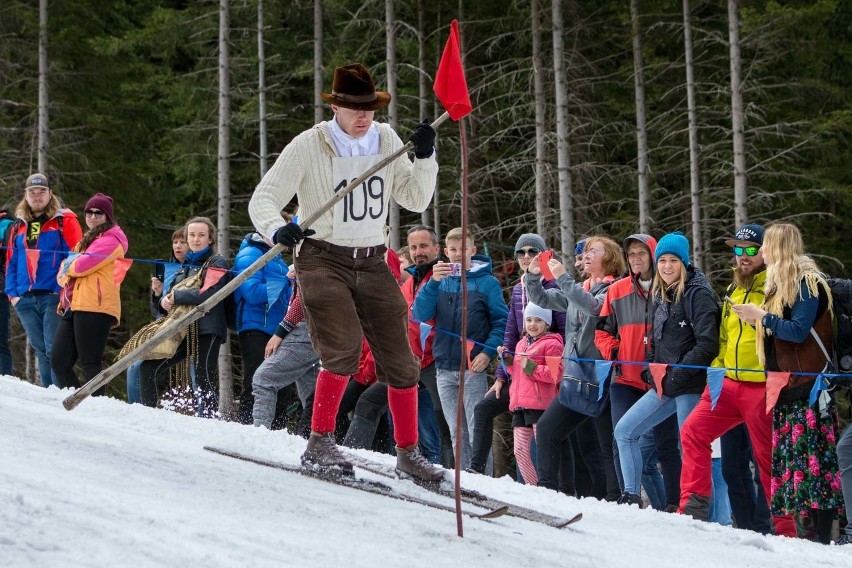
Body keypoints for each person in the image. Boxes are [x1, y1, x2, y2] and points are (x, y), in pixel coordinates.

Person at [248, 62, 443, 481]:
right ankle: (320, 441)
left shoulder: (386, 138)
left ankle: (408, 453)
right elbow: (263, 199)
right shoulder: (309, 145)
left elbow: (413, 198)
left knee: (400, 355)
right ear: (335, 106)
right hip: (321, 257)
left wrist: (425, 156)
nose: (363, 116)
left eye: (369, 108)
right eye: (354, 108)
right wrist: (276, 228)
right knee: (343, 347)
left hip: (373, 259)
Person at [729, 223, 843, 544]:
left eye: (766, 246)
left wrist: (761, 316)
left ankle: (822, 538)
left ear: (779, 247)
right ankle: (806, 536)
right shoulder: (780, 286)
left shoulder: (807, 283)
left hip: (811, 389)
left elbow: (797, 330)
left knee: (817, 466)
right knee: (797, 467)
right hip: (787, 386)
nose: (761, 252)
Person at [678, 224, 781, 533]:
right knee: (693, 432)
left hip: (760, 386)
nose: (743, 256)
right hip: (728, 383)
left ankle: (783, 526)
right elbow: (723, 339)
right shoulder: (733, 290)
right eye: (738, 249)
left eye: (750, 250)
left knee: (767, 459)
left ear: (765, 252)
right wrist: (720, 367)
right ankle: (694, 506)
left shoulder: (774, 289)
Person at [612, 232, 719, 506]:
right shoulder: (661, 294)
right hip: (666, 384)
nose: (667, 266)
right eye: (662, 260)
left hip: (692, 385)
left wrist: (678, 372)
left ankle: (696, 507)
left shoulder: (699, 294)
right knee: (625, 431)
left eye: (673, 260)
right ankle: (631, 496)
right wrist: (651, 367)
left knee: (690, 447)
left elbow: (708, 345)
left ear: (684, 263)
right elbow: (655, 338)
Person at [527, 236, 625, 498]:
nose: (587, 255)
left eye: (595, 251)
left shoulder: (614, 288)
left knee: (606, 444)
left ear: (610, 258)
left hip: (603, 377)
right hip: (575, 377)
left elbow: (593, 308)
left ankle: (617, 500)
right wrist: (533, 275)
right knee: (547, 429)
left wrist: (563, 277)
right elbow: (542, 299)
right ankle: (547, 490)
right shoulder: (580, 287)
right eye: (586, 251)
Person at [343, 225, 449, 465]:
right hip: (407, 360)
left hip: (435, 360)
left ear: (436, 248)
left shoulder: (444, 277)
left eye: (423, 246)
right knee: (368, 402)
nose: (418, 251)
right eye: (413, 247)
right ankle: (353, 457)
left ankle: (455, 475)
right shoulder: (409, 281)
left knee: (445, 422)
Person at [468, 233, 566, 477]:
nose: (525, 257)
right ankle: (477, 471)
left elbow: (564, 333)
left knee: (547, 437)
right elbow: (511, 331)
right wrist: (502, 375)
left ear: (543, 256)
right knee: (484, 409)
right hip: (520, 376)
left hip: (547, 378)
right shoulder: (519, 288)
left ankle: (557, 489)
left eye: (532, 252)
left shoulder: (554, 286)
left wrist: (552, 373)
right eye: (520, 253)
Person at [595, 234, 681, 511]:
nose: (636, 259)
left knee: (666, 445)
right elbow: (601, 330)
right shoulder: (617, 290)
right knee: (621, 436)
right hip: (625, 380)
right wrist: (615, 352)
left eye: (641, 253)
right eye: (631, 254)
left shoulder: (668, 289)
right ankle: (627, 498)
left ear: (653, 256)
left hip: (660, 381)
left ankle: (673, 503)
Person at [413, 227, 509, 470]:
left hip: (473, 367)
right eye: (453, 249)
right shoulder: (439, 280)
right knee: (457, 432)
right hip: (443, 367)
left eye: (463, 249)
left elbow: (502, 323)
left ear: (473, 251)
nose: (458, 254)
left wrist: (487, 353)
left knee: (477, 430)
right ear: (445, 252)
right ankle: (462, 482)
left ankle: (485, 484)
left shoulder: (488, 283)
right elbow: (419, 313)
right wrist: (432, 283)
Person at [139, 216, 230, 418]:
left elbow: (211, 293)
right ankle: (146, 416)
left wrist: (177, 296)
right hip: (181, 328)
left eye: (201, 235)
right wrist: (161, 301)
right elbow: (167, 301)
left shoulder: (217, 261)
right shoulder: (184, 265)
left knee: (204, 377)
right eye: (192, 235)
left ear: (210, 239)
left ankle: (209, 421)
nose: (196, 239)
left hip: (207, 328)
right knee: (148, 367)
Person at [5, 173, 82, 387]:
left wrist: (63, 288)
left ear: (50, 194)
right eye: (32, 192)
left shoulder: (64, 220)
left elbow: (77, 255)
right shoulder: (17, 226)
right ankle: (49, 396)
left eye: (41, 192)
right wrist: (13, 295)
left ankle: (60, 394)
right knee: (40, 350)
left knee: (53, 349)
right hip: (24, 298)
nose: (37, 196)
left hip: (53, 295)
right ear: (26, 196)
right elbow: (11, 261)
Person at [51, 193, 128, 393]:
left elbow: (81, 266)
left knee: (90, 362)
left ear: (107, 217)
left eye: (98, 213)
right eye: (89, 212)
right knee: (59, 361)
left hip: (96, 305)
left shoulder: (112, 239)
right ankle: (80, 404)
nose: (93, 216)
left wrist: (70, 265)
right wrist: (69, 266)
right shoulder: (87, 240)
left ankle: (96, 408)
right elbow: (62, 273)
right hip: (73, 304)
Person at [498, 303, 564, 486]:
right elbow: (516, 372)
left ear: (547, 324)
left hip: (540, 405)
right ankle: (533, 488)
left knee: (542, 449)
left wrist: (531, 367)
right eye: (529, 320)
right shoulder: (520, 343)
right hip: (520, 404)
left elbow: (555, 374)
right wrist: (508, 361)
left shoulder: (552, 344)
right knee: (519, 450)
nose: (532, 324)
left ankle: (549, 487)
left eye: (538, 320)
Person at [233, 232, 291, 424]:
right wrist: (285, 281)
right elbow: (252, 293)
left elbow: (285, 298)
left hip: (277, 330)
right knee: (255, 381)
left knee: (280, 384)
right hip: (255, 327)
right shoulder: (250, 253)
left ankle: (277, 434)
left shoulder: (279, 260)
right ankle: (246, 428)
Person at [127, 229, 189, 404]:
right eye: (175, 242)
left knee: (194, 368)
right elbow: (157, 311)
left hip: (187, 326)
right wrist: (157, 294)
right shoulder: (167, 267)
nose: (178, 246)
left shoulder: (197, 269)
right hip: (163, 324)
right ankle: (136, 408)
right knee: (134, 364)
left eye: (182, 242)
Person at [0, 206, 16, 375]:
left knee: (0, 342)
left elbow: (9, 258)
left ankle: (5, 380)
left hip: (0, 288)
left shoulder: (7, 224)